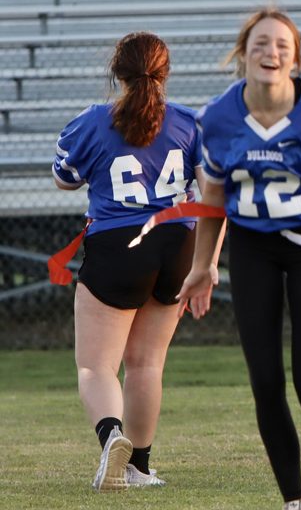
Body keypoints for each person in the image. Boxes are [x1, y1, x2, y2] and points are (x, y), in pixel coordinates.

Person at [175, 9, 301, 510]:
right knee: (265, 382)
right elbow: (214, 198)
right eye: (261, 43)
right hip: (251, 248)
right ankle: (294, 501)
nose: (272, 52)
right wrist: (203, 266)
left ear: (296, 56)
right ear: (244, 53)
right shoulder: (218, 117)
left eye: (282, 44)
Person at [53, 31, 202, 490]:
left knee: (96, 366)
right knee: (146, 363)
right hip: (177, 242)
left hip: (119, 242)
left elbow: (65, 178)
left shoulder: (94, 121)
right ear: (165, 72)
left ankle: (111, 435)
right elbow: (213, 188)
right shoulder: (188, 122)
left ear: (117, 72)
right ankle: (138, 465)